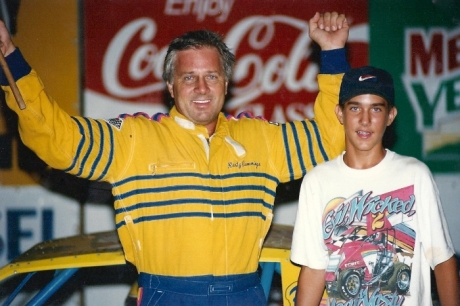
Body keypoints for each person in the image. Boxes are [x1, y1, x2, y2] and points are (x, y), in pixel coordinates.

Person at [0, 12, 349, 305]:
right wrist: (10, 60)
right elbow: (56, 139)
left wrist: (332, 54)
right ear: (170, 85)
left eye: (212, 76)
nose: (201, 88)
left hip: (245, 294)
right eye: (189, 78)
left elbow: (331, 140)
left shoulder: (262, 140)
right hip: (167, 295)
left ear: (226, 83)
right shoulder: (133, 140)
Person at [291, 66, 459, 305]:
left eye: (376, 109)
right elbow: (314, 268)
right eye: (355, 107)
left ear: (390, 116)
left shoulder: (415, 174)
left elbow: (442, 260)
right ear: (340, 113)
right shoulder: (317, 180)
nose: (365, 120)